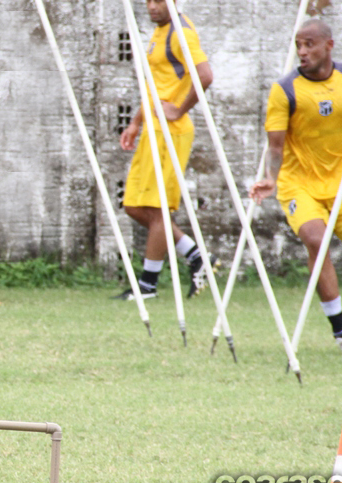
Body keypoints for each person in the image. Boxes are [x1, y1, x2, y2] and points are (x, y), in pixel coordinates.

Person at [250, 19, 342, 358]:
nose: (302, 51)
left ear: (329, 46)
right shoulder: (285, 90)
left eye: (309, 44)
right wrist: (271, 177)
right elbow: (276, 147)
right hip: (300, 185)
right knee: (316, 240)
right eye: (299, 44)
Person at [116, 0, 217, 301]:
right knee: (134, 205)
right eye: (148, 1)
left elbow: (205, 75)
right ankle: (197, 255)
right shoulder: (158, 33)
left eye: (159, 0)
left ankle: (147, 286)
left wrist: (179, 110)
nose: (151, 6)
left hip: (170, 133)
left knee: (158, 208)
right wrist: (136, 122)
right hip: (152, 129)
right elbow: (155, 87)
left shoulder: (181, 33)